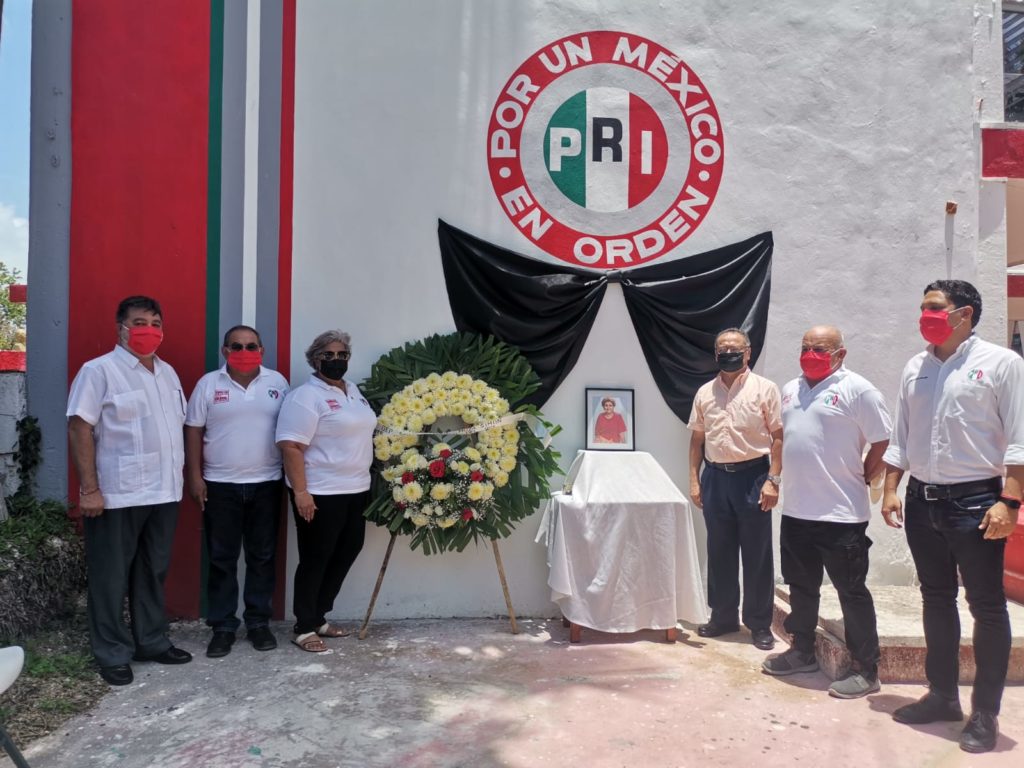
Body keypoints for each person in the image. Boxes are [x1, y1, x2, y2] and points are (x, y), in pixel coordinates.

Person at [882, 280, 1023, 753]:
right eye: (923, 306)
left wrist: (1010, 502)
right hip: (922, 501)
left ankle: (985, 713)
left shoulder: (1001, 364)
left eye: (934, 307)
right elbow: (901, 436)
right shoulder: (915, 367)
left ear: (964, 314)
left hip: (977, 502)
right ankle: (942, 696)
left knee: (986, 606)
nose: (925, 315)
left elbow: (1020, 439)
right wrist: (891, 489)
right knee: (936, 598)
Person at [66, 296, 192, 686]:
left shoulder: (167, 373)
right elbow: (79, 427)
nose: (148, 330)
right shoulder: (99, 371)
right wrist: (90, 489)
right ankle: (112, 652)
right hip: (117, 494)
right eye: (139, 323)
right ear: (120, 328)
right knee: (110, 577)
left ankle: (150, 642)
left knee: (152, 572)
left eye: (155, 323)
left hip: (164, 492)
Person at [762, 326, 891, 699]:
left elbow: (884, 439)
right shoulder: (791, 388)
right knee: (801, 587)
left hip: (841, 515)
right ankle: (801, 650)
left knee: (851, 592)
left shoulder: (859, 390)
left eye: (819, 348)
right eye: (805, 347)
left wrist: (865, 475)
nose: (810, 354)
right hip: (797, 511)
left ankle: (866, 669)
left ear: (840, 354)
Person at [185, 325, 289, 658]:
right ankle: (223, 627)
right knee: (222, 559)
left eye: (251, 346)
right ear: (225, 351)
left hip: (267, 483)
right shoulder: (208, 384)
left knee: (263, 557)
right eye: (237, 346)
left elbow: (291, 429)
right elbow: (193, 430)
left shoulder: (277, 383)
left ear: (262, 349)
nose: (245, 352)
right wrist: (194, 476)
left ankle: (258, 623)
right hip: (219, 485)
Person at [275, 330, 377, 652]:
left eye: (342, 354)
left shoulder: (354, 391)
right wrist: (301, 493)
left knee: (348, 549)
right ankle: (304, 627)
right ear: (315, 359)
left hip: (355, 488)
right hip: (320, 492)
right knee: (316, 557)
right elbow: (291, 446)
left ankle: (319, 615)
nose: (336, 360)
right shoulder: (305, 397)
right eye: (328, 355)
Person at [687, 328, 782, 650]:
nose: (729, 353)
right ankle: (723, 616)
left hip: (753, 476)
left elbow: (778, 437)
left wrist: (773, 480)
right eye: (723, 349)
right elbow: (697, 440)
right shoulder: (704, 393)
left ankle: (758, 623)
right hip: (715, 477)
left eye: (735, 348)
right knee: (719, 551)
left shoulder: (765, 389)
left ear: (748, 352)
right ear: (716, 354)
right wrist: (694, 480)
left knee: (757, 554)